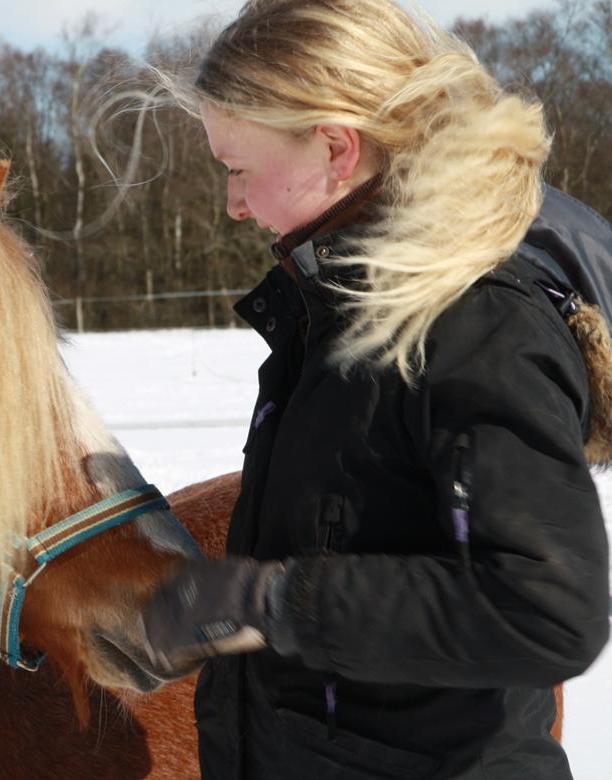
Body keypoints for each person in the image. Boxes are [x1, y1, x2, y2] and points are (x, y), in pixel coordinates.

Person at [140, 0, 611, 777]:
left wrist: (275, 602)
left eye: (237, 170)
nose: (232, 205)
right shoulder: (335, 311)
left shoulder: (477, 325)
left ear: (333, 147)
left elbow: (545, 608)